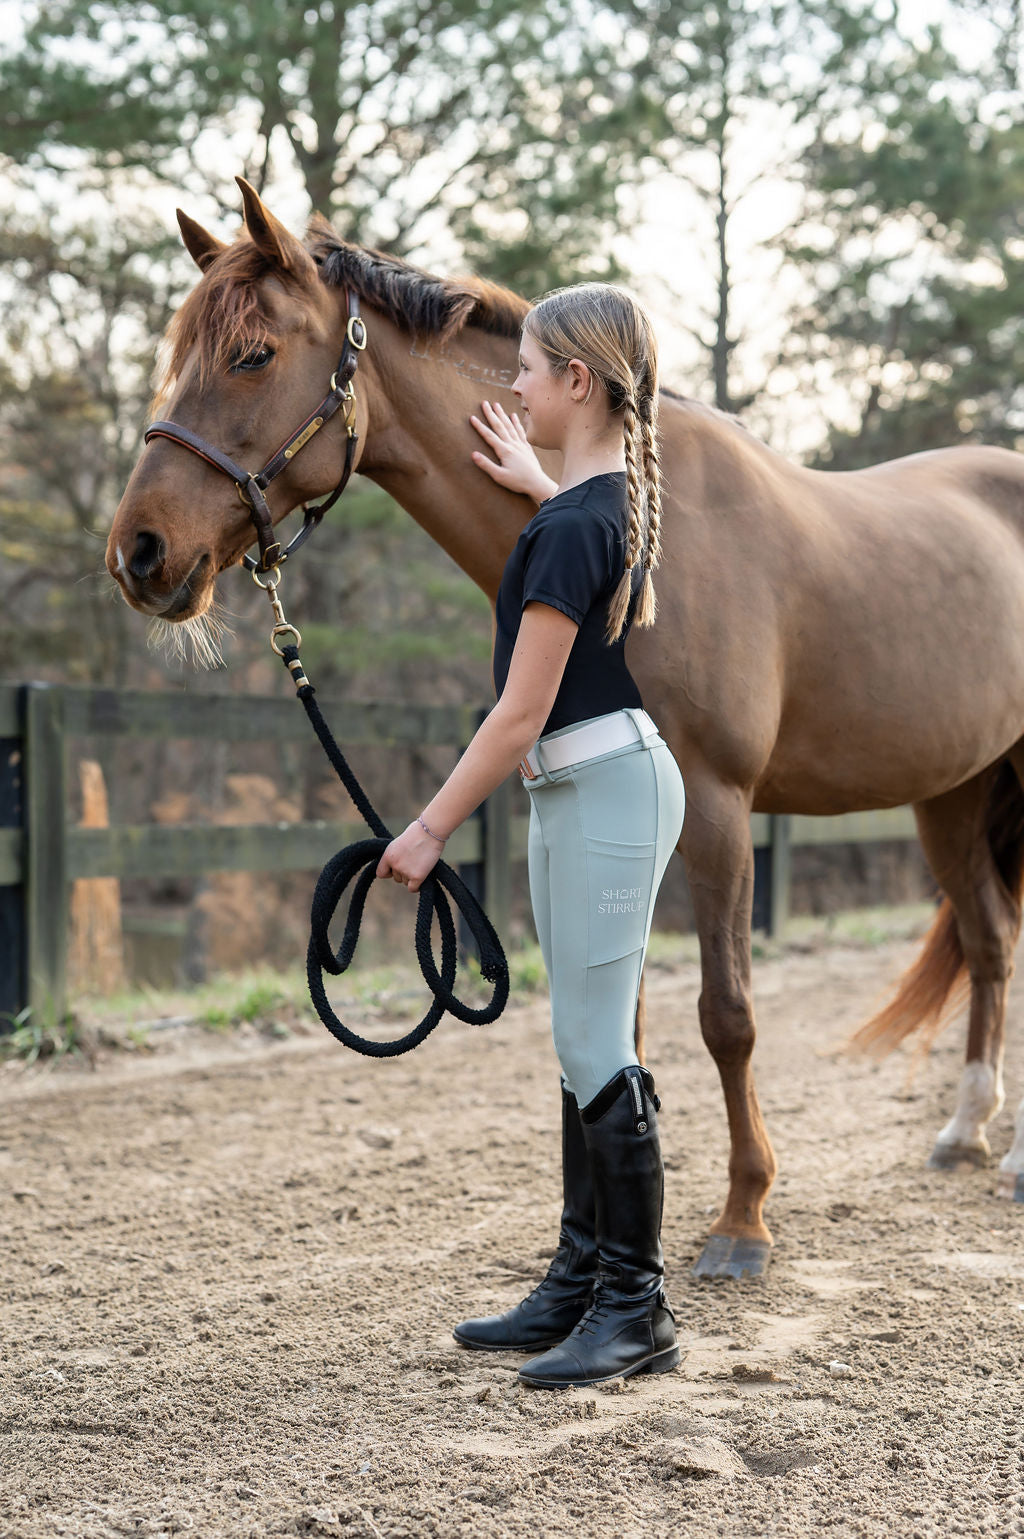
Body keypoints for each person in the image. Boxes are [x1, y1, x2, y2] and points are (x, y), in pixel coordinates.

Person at [376, 283, 685, 1388]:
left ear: (578, 384)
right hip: (583, 791)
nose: (511, 383)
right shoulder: (594, 506)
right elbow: (585, 523)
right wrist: (538, 483)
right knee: (580, 1042)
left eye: (529, 367)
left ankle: (635, 1311)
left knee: (600, 1046)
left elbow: (516, 711)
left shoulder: (574, 526)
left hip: (601, 791)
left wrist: (426, 829)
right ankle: (579, 1281)